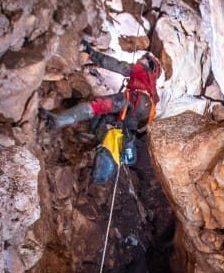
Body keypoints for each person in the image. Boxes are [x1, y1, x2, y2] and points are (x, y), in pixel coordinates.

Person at [45, 41, 161, 182]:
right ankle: (98, 139)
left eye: (143, 58)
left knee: (98, 106)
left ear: (149, 64)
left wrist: (93, 54)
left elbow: (118, 66)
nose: (139, 59)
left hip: (134, 100)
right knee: (112, 125)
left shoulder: (142, 70)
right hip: (139, 118)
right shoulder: (152, 90)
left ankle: (58, 120)